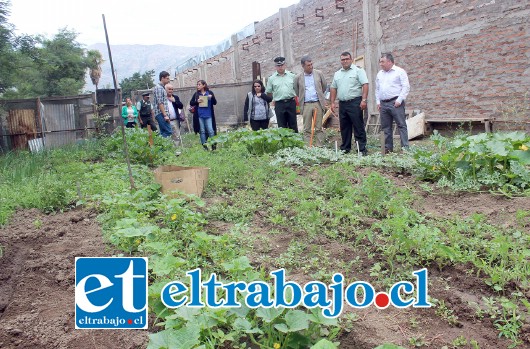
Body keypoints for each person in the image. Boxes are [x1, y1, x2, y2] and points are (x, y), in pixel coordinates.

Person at [330, 52, 369, 155]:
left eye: (347, 59)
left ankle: (361, 149)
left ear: (351, 59)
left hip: (355, 102)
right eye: (343, 59)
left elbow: (365, 84)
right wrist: (332, 102)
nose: (345, 61)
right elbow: (333, 88)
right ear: (340, 61)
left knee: (358, 126)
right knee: (344, 127)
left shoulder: (358, 71)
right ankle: (345, 148)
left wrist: (364, 100)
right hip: (342, 104)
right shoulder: (337, 74)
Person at [376, 53, 411, 153]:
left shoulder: (399, 72)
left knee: (401, 125)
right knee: (386, 127)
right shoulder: (380, 74)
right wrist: (378, 102)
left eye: (382, 61)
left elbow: (406, 86)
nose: (380, 64)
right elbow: (377, 89)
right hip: (383, 104)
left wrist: (399, 100)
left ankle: (405, 148)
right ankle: (388, 148)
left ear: (389, 61)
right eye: (380, 61)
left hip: (395, 103)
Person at [294, 55, 327, 146]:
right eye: (308, 65)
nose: (311, 66)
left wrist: (319, 95)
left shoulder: (319, 73)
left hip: (317, 103)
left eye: (312, 64)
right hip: (306, 105)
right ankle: (308, 147)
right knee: (307, 128)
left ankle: (319, 146)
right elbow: (297, 91)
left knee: (319, 127)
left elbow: (324, 86)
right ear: (303, 66)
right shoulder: (298, 77)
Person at [266, 56, 298, 132]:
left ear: (285, 65)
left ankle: (295, 142)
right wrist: (273, 100)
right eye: (278, 66)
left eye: (282, 65)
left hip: (291, 102)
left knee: (293, 124)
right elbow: (269, 92)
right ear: (275, 67)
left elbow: (297, 88)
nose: (280, 67)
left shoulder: (292, 76)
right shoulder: (271, 78)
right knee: (282, 126)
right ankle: (284, 143)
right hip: (279, 104)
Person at [190, 80, 217, 150]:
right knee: (202, 131)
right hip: (200, 115)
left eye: (199, 84)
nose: (198, 86)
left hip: (208, 115)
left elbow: (215, 103)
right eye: (197, 84)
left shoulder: (209, 92)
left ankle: (213, 146)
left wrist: (212, 97)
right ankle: (205, 147)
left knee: (211, 131)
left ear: (204, 85)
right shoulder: (196, 94)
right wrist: (197, 101)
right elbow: (191, 103)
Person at [153, 71, 172, 138]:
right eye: (167, 78)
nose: (168, 80)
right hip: (161, 113)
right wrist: (165, 115)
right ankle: (157, 143)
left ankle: (162, 147)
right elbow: (160, 103)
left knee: (163, 131)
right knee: (168, 131)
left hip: (162, 113)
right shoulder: (159, 88)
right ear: (162, 78)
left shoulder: (162, 88)